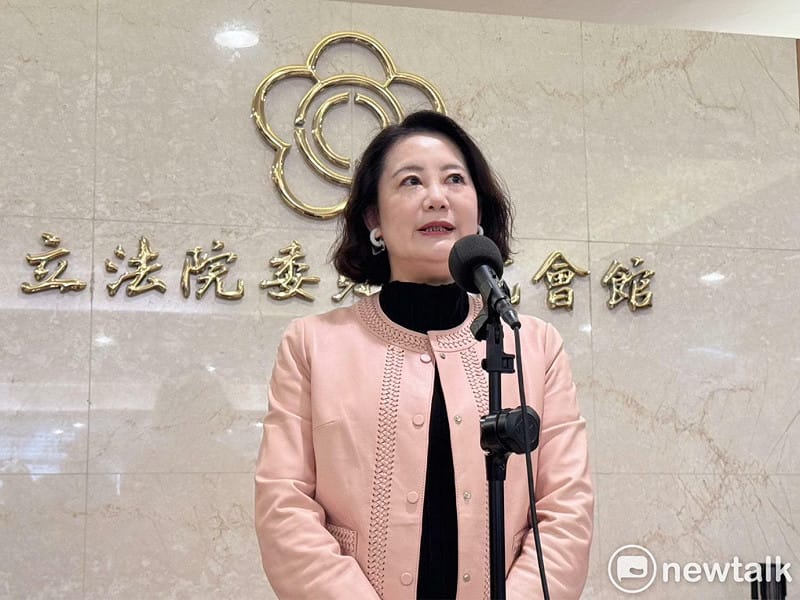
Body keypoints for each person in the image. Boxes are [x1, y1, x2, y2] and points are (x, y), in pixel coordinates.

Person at [254, 111, 593, 599]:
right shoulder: (312, 344)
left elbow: (566, 508)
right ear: (374, 219)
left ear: (479, 209)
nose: (437, 197)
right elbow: (284, 505)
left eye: (455, 179)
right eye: (411, 181)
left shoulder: (534, 344)